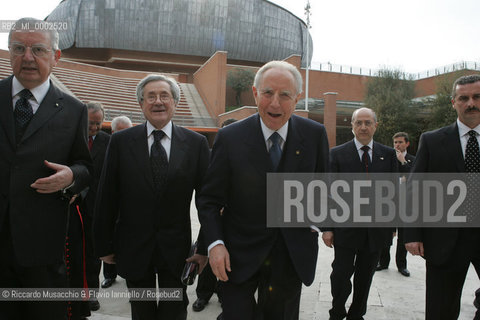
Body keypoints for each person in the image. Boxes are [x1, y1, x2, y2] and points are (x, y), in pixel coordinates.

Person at [198, 60, 330, 320]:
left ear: (297, 98)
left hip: (291, 255)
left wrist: (315, 227)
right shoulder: (230, 137)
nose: (275, 104)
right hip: (237, 254)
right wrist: (215, 244)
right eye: (268, 93)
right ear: (255, 93)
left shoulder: (315, 134)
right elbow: (209, 199)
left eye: (285, 95)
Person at [93, 74, 210, 320]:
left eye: (164, 95)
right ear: (141, 104)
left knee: (174, 311)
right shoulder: (121, 142)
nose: (158, 102)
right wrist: (103, 245)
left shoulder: (196, 144)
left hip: (177, 251)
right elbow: (107, 196)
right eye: (151, 96)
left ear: (175, 102)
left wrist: (204, 246)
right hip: (134, 247)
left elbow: (206, 201)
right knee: (142, 311)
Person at [0, 17, 92, 319]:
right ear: (8, 52)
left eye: (38, 49)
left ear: (56, 56)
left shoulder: (74, 110)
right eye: (18, 48)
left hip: (43, 245)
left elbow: (84, 168)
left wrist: (70, 177)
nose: (27, 57)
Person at [405, 74, 480, 320]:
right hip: (445, 239)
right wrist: (413, 233)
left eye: (477, 97)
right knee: (441, 309)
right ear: (453, 102)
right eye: (464, 98)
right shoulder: (433, 140)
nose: (471, 103)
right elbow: (415, 188)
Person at [322, 107, 398, 320]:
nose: (363, 127)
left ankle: (357, 314)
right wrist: (327, 228)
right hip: (345, 229)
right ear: (352, 126)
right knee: (340, 275)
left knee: (365, 276)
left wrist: (392, 226)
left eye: (368, 122)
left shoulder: (388, 155)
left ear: (375, 125)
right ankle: (337, 311)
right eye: (359, 123)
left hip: (376, 230)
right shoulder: (336, 154)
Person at [192, 119, 237, 320]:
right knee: (206, 254)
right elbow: (203, 189)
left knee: (229, 262)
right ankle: (203, 295)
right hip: (212, 219)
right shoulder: (211, 155)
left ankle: (223, 295)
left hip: (234, 221)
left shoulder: (245, 154)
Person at [376, 132, 416, 277]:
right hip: (389, 202)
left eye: (400, 142)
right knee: (386, 233)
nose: (397, 145)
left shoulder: (413, 160)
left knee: (403, 236)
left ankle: (402, 265)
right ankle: (383, 262)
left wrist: (403, 162)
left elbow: (413, 179)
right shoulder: (388, 159)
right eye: (395, 143)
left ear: (407, 144)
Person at [100, 115, 132, 290]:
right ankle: (109, 275)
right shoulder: (106, 146)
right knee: (110, 237)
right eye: (120, 132)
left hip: (130, 205)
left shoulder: (138, 146)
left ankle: (130, 276)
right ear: (113, 132)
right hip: (111, 203)